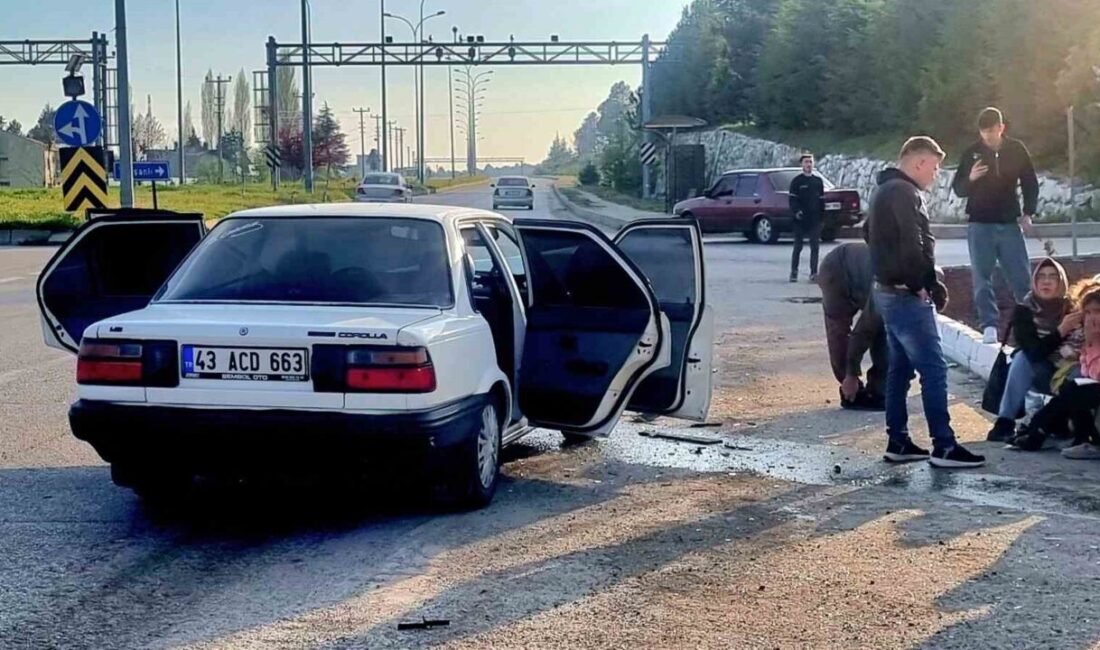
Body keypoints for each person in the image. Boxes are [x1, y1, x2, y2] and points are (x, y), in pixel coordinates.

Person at [868, 136, 985, 468]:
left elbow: (869, 235)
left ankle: (898, 441)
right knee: (933, 370)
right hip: (905, 293)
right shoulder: (904, 193)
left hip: (887, 291)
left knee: (900, 369)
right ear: (918, 163)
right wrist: (924, 283)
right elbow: (913, 240)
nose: (935, 175)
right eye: (934, 167)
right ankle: (944, 446)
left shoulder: (883, 191)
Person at [951, 107, 1040, 344]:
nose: (988, 136)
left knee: (1020, 275)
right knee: (982, 275)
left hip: (1009, 222)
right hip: (980, 223)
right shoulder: (971, 153)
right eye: (983, 132)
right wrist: (971, 178)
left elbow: (1030, 182)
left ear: (1001, 128)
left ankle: (1029, 321)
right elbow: (958, 188)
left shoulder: (1016, 149)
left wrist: (1028, 212)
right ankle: (989, 324)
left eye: (992, 130)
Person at [986, 258, 1077, 441]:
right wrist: (1061, 331)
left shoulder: (1073, 309)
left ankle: (1070, 424)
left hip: (1066, 372)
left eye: (1052, 277)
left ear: (1061, 282)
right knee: (1022, 358)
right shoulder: (1024, 310)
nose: (1046, 281)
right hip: (1039, 372)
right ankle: (1005, 421)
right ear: (1034, 281)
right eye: (1041, 277)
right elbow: (1034, 352)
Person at [1010, 286, 1100, 460]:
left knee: (1074, 389)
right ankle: (1041, 430)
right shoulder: (1090, 341)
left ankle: (1037, 431)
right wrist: (1088, 343)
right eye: (1087, 313)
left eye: (1097, 311)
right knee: (1072, 388)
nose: (1092, 318)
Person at [789, 153, 825, 283]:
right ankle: (794, 272)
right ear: (801, 165)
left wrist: (822, 218)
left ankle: (814, 273)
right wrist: (797, 211)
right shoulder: (797, 181)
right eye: (806, 162)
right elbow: (792, 200)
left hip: (814, 219)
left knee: (815, 247)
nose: (808, 164)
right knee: (798, 246)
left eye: (810, 162)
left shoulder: (818, 181)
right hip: (800, 220)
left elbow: (822, 201)